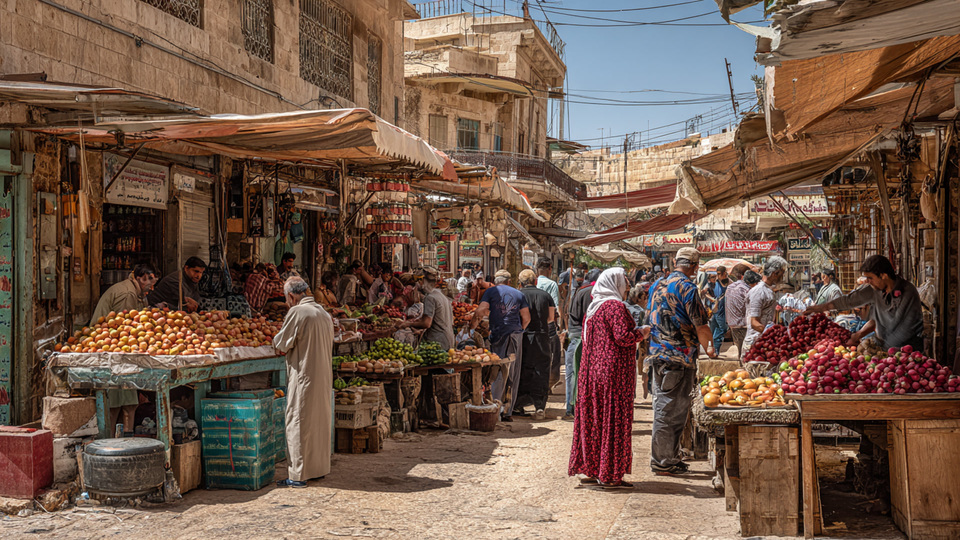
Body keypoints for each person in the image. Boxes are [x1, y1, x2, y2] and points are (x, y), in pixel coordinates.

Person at [569, 268, 649, 489]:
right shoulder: (614, 307)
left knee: (595, 420)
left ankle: (593, 469)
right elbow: (623, 337)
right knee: (613, 421)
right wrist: (642, 333)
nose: (627, 286)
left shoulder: (594, 308)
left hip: (592, 372)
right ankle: (610, 474)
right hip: (613, 375)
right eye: (624, 281)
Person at [646, 247, 716, 476]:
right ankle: (663, 461)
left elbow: (650, 315)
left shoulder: (657, 285)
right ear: (695, 267)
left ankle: (669, 457)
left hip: (657, 354)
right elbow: (700, 325)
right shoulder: (687, 288)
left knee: (666, 407)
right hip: (678, 357)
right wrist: (710, 350)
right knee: (670, 411)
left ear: (676, 262)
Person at [273, 277, 333, 488]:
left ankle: (298, 475)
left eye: (286, 298)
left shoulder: (298, 312)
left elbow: (281, 343)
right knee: (318, 423)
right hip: (322, 377)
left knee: (298, 422)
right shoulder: (323, 313)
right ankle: (317, 469)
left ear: (291, 296)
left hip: (304, 376)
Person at [90, 263, 159, 434]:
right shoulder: (128, 293)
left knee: (126, 401)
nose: (152, 288)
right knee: (120, 403)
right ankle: (113, 440)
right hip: (112, 352)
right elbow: (124, 328)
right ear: (140, 279)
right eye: (150, 284)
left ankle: (118, 438)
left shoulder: (136, 292)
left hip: (118, 351)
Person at [805, 255, 923, 350]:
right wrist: (821, 308)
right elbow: (849, 300)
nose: (868, 281)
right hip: (885, 349)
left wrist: (884, 352)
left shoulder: (908, 293)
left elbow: (904, 330)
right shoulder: (874, 289)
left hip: (907, 352)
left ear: (883, 276)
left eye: (870, 278)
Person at [470, 270, 530, 421]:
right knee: (513, 373)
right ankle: (508, 411)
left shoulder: (490, 291)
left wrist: (472, 328)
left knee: (497, 371)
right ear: (509, 281)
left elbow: (480, 311)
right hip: (515, 335)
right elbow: (526, 318)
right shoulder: (519, 294)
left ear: (495, 281)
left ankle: (496, 409)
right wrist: (519, 330)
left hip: (498, 334)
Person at [516, 269, 556, 420]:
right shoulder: (546, 296)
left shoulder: (519, 294)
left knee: (522, 368)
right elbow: (551, 318)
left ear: (520, 282)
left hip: (523, 336)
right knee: (541, 370)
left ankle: (519, 404)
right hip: (542, 336)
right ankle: (540, 406)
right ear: (535, 281)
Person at [564, 268, 601, 419]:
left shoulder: (580, 291)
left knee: (572, 374)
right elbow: (588, 317)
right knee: (576, 374)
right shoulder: (590, 292)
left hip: (576, 335)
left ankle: (571, 407)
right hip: (581, 337)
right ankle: (573, 407)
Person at [741, 256, 789, 361]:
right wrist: (773, 334)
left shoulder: (768, 290)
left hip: (763, 343)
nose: (782, 277)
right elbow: (754, 322)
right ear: (774, 273)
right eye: (781, 274)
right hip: (755, 344)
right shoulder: (759, 292)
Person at [399, 267, 455, 350]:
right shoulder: (441, 295)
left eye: (418, 282)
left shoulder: (430, 298)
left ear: (422, 281)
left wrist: (408, 324)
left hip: (437, 342)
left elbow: (426, 323)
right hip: (448, 339)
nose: (417, 285)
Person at [535, 258, 562, 391]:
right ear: (550, 268)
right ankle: (549, 383)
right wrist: (560, 325)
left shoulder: (532, 282)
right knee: (553, 354)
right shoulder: (552, 284)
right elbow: (556, 308)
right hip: (548, 324)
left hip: (532, 324)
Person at [725, 268, 761, 355]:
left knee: (740, 348)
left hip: (732, 323)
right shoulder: (748, 290)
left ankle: (741, 361)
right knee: (747, 351)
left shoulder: (731, 286)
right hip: (742, 324)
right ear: (753, 283)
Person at [705, 266, 729, 351]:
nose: (717, 276)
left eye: (719, 274)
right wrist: (713, 299)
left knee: (717, 330)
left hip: (721, 310)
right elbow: (705, 292)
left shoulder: (726, 282)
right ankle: (715, 349)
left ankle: (714, 349)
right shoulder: (715, 283)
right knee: (722, 329)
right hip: (717, 311)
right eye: (717, 274)